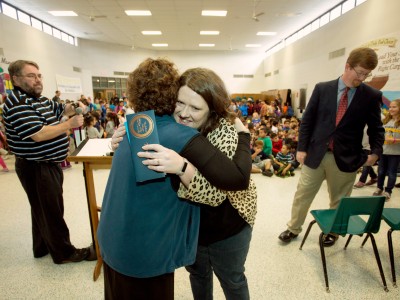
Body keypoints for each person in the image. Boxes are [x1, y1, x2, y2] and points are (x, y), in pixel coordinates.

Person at [97, 59, 252, 300]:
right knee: (199, 277)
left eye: (195, 108)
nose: (183, 113)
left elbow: (225, 188)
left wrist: (244, 136)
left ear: (212, 109)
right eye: (179, 102)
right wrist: (121, 134)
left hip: (227, 224)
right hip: (194, 228)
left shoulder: (225, 132)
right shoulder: (168, 124)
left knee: (232, 281)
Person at [278, 47, 384, 246]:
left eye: (366, 74)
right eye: (359, 72)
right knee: (303, 194)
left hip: (346, 157)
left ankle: (333, 231)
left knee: (340, 198)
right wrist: (301, 148)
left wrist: (376, 153)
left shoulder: (371, 95)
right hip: (316, 154)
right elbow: (307, 121)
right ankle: (293, 228)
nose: (362, 78)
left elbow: (377, 128)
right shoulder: (322, 88)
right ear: (347, 66)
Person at [2, 60, 94, 263]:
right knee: (52, 210)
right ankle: (65, 253)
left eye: (39, 75)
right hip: (36, 166)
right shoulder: (17, 103)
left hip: (47, 164)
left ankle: (41, 247)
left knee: (41, 208)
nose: (37, 79)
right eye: (31, 76)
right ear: (16, 79)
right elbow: (39, 134)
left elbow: (60, 109)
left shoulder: (37, 99)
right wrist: (69, 124)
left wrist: (74, 107)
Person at [372, 99, 400, 201]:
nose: (391, 109)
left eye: (394, 107)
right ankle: (379, 187)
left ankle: (388, 191)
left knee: (392, 173)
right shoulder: (386, 121)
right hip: (383, 151)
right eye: (390, 107)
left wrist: (395, 140)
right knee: (381, 171)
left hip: (395, 153)